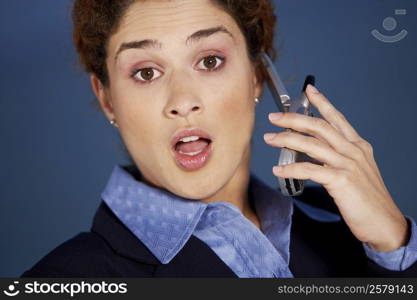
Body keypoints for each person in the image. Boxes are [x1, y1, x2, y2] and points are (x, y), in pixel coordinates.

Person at [22, 0, 417, 277]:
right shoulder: (64, 278)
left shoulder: (351, 228)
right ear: (107, 99)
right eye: (145, 72)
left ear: (256, 76)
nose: (183, 102)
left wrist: (394, 250)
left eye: (209, 61)